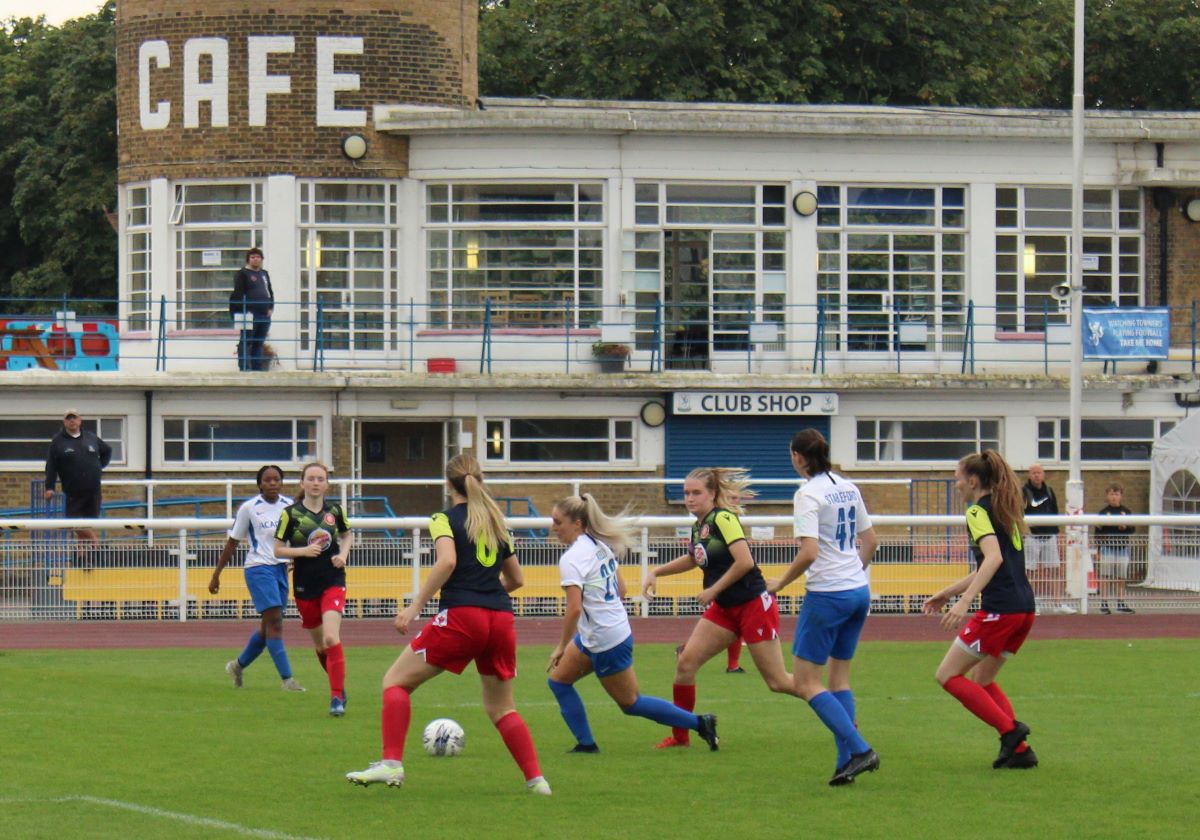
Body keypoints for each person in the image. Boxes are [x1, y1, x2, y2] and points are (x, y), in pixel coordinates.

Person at [346, 453, 550, 795]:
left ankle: (391, 764)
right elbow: (516, 578)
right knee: (502, 708)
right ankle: (537, 781)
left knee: (395, 682)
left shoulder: (444, 518)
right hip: (500, 619)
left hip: (462, 616)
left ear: (448, 483)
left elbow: (447, 562)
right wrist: (486, 594)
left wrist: (414, 607)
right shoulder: (497, 521)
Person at [546, 494, 719, 753]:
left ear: (578, 523)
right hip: (602, 633)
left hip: (605, 639)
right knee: (558, 681)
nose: (553, 527)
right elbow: (622, 589)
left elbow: (573, 609)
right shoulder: (599, 546)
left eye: (558, 522)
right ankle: (586, 744)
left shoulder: (572, 558)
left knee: (631, 703)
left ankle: (700, 723)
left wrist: (561, 645)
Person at [642, 467, 799, 749]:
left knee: (777, 681)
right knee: (686, 663)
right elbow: (694, 558)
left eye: (696, 493)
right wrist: (657, 571)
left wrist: (713, 589)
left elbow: (745, 562)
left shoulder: (724, 518)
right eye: (686, 493)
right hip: (726, 608)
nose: (689, 498)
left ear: (713, 494)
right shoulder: (699, 526)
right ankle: (681, 736)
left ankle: (835, 706)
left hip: (753, 605)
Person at [767, 429, 880, 786]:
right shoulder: (848, 486)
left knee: (804, 682)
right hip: (857, 590)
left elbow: (810, 552)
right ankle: (845, 763)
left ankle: (861, 750)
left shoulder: (807, 494)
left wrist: (780, 582)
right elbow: (871, 541)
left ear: (799, 457)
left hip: (828, 594)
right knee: (839, 679)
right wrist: (851, 572)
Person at [923, 450, 1038, 771]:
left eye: (958, 477)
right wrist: (948, 592)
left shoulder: (977, 512)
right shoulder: (1006, 511)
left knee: (947, 676)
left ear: (973, 481)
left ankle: (1011, 731)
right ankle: (1020, 751)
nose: (955, 484)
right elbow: (994, 564)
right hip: (1024, 610)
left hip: (1000, 610)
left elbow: (993, 560)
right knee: (982, 677)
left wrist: (964, 603)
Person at [209, 465, 304, 692]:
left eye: (276, 479)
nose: (272, 483)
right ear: (259, 484)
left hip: (280, 569)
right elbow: (233, 542)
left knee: (267, 628)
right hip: (258, 567)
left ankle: (238, 666)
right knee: (275, 623)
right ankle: (287, 680)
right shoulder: (250, 508)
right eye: (267, 480)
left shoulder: (288, 506)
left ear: (281, 482)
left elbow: (295, 537)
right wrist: (216, 574)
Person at [274, 462, 352, 715]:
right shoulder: (290, 514)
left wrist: (343, 554)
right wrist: (303, 552)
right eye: (311, 478)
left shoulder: (335, 511)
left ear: (327, 484)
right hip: (305, 585)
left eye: (321, 479)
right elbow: (277, 549)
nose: (316, 483)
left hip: (333, 579)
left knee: (331, 638)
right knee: (321, 647)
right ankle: (338, 685)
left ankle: (336, 698)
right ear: (303, 483)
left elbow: (346, 534)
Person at [43, 408, 112, 550]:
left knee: (88, 523)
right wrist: (49, 487)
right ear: (64, 422)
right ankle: (95, 543)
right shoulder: (58, 442)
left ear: (80, 421)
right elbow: (51, 466)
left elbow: (107, 450)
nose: (72, 421)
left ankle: (83, 556)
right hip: (73, 490)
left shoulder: (91, 437)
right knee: (72, 522)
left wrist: (99, 467)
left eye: (74, 418)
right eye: (69, 418)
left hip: (93, 489)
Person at [1022, 464, 1075, 615]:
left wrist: (1056, 532)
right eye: (1033, 473)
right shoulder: (1024, 492)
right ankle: (1033, 602)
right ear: (1029, 475)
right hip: (1032, 536)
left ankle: (1058, 602)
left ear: (1043, 474)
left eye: (1039, 473)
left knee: (1054, 569)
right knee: (1030, 571)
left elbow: (1055, 511)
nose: (1036, 476)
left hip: (1049, 535)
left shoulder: (1049, 491)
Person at [229, 246, 274, 371]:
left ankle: (257, 369)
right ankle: (244, 367)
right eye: (253, 257)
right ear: (248, 259)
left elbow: (269, 291)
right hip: (250, 314)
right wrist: (243, 310)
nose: (256, 259)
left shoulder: (264, 274)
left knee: (259, 343)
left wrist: (271, 307)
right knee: (246, 341)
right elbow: (238, 294)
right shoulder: (242, 274)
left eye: (258, 257)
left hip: (264, 314)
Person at [1095, 483, 1135, 615]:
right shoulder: (1103, 512)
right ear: (1107, 496)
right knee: (1105, 576)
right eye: (1111, 494)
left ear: (1121, 496)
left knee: (1121, 576)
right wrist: (1098, 550)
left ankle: (1121, 602)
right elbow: (1098, 532)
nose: (1114, 497)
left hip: (1122, 548)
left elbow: (1132, 529)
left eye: (1116, 494)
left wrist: (1125, 527)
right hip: (1107, 547)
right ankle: (1104, 603)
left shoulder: (1126, 512)